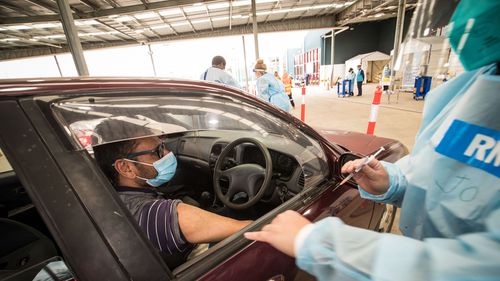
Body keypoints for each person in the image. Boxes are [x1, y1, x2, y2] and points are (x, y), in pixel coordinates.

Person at [245, 0, 500, 280]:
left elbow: (479, 268)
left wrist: (317, 244)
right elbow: (443, 173)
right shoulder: (469, 89)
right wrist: (392, 182)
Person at [93, 119, 251, 268]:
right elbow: (250, 230)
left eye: (163, 145)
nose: (168, 153)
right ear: (126, 168)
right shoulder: (156, 214)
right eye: (157, 151)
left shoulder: (117, 198)